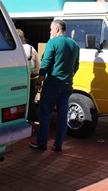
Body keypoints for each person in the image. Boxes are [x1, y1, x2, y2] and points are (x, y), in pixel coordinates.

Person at [29, 19, 79, 152]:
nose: (50, 31)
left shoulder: (53, 42)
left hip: (52, 85)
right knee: (63, 116)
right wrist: (68, 76)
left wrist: (39, 82)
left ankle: (42, 143)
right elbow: (76, 66)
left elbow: (45, 64)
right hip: (67, 85)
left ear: (57, 29)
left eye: (51, 29)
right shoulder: (74, 44)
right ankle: (58, 145)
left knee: (45, 113)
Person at [17, 29, 40, 124]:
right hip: (32, 79)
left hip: (19, 79)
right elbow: (38, 65)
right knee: (31, 101)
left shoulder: (15, 49)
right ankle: (31, 120)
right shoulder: (31, 48)